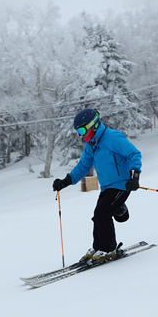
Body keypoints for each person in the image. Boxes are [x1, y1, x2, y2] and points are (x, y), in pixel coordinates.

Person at [52, 108, 142, 264]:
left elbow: (134, 154)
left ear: (93, 126)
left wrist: (134, 176)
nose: (80, 135)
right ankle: (99, 246)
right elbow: (83, 166)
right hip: (107, 187)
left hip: (122, 184)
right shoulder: (91, 145)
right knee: (98, 216)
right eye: (78, 132)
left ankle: (108, 249)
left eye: (81, 130)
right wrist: (65, 181)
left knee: (102, 213)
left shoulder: (113, 138)